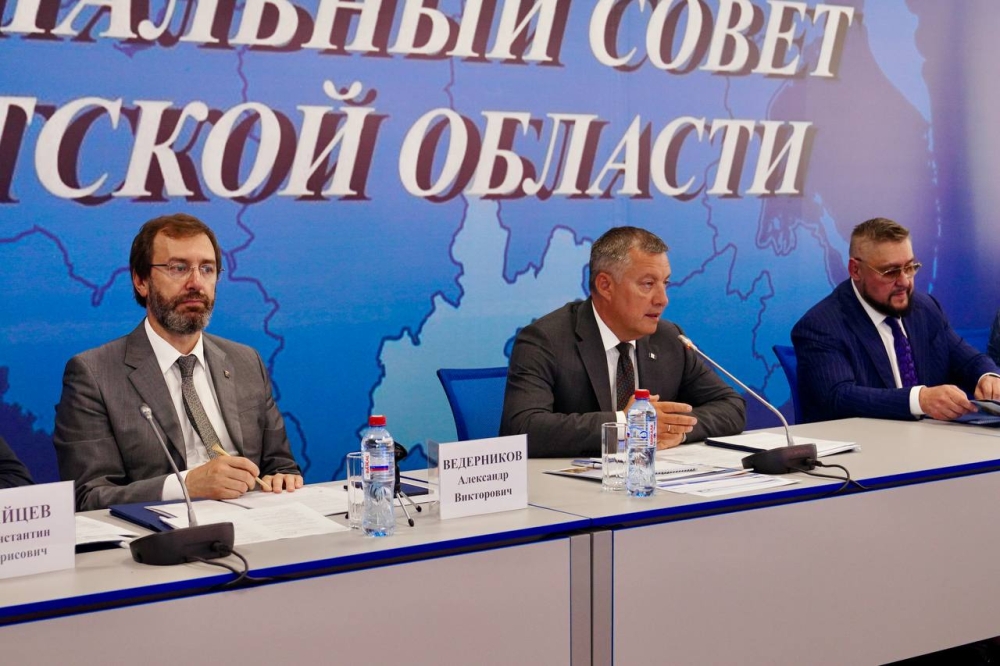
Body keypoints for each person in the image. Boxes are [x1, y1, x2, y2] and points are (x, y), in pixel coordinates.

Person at [54, 214, 303, 510]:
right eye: (178, 268)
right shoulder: (95, 374)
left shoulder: (246, 361)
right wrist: (185, 486)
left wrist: (282, 478)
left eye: (207, 269)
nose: (196, 283)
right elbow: (88, 496)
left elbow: (281, 465)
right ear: (141, 281)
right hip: (161, 533)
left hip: (255, 523)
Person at [500, 226, 746, 458]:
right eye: (648, 284)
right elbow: (522, 428)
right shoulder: (546, 340)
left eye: (665, 283)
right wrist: (626, 425)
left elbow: (731, 406)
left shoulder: (669, 338)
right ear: (605, 285)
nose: (663, 299)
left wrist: (675, 431)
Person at [792, 217, 1000, 424]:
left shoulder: (925, 309)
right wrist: (918, 400)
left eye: (910, 267)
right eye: (890, 272)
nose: (904, 282)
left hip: (932, 439)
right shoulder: (821, 326)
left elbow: (969, 360)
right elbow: (838, 397)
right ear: (855, 270)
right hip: (865, 440)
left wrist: (988, 377)